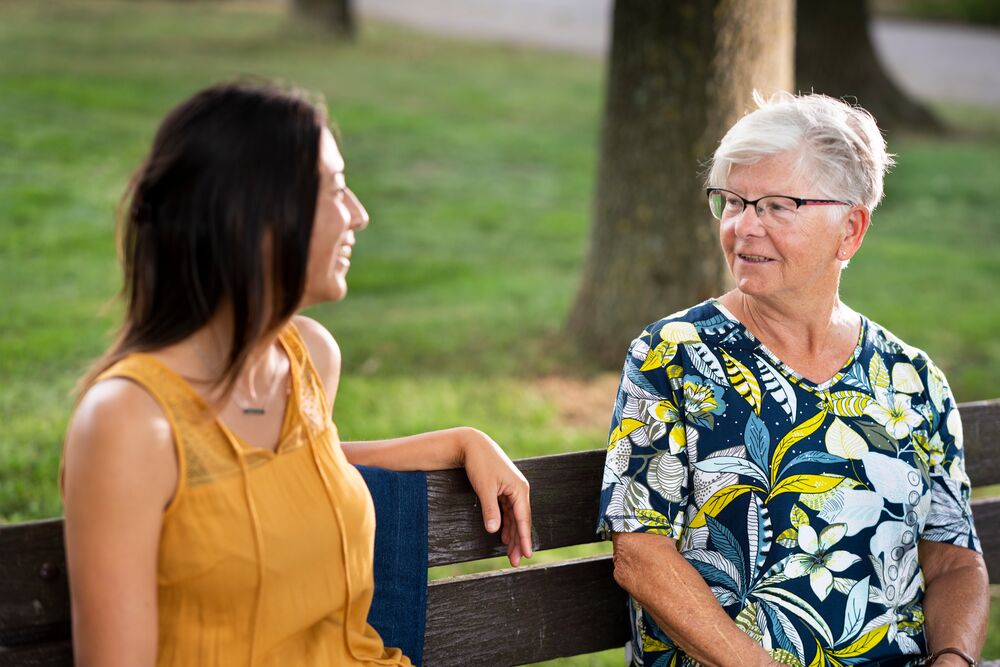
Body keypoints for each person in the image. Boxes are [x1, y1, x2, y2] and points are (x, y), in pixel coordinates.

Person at [61, 80, 533, 667]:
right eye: (335, 190)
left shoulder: (307, 356)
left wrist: (462, 441)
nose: (359, 215)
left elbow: (289, 475)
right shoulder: (128, 422)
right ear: (255, 216)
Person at [598, 92, 987, 667]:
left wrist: (953, 659)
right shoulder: (674, 356)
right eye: (732, 201)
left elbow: (953, 559)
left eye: (778, 206)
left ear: (850, 230)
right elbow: (641, 555)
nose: (743, 227)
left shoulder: (910, 379)